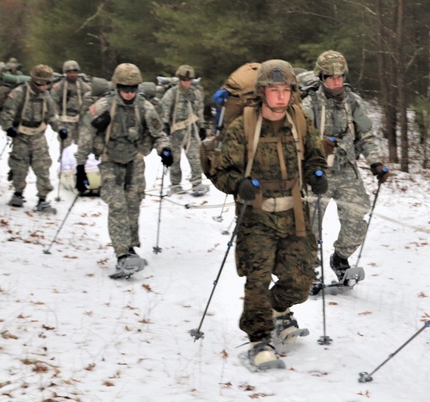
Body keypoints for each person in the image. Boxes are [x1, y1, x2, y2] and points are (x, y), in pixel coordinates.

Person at [205, 59, 328, 369]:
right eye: (274, 90)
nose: (281, 97)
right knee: (257, 281)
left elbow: (315, 154)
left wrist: (316, 172)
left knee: (301, 280)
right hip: (256, 216)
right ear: (261, 92)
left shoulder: (300, 120)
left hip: (294, 212)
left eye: (286, 90)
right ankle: (259, 339)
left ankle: (277, 310)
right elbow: (220, 171)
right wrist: (238, 184)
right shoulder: (242, 125)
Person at [74, 63, 171, 278]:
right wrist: (80, 167)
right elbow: (85, 136)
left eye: (133, 89)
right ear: (117, 87)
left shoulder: (145, 107)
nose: (129, 93)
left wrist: (164, 150)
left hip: (134, 161)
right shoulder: (102, 106)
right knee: (117, 206)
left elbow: (159, 133)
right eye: (125, 89)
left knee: (133, 205)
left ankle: (130, 247)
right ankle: (122, 254)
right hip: (110, 161)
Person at [302, 50, 388, 282]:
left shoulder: (353, 102)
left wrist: (376, 163)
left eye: (340, 77)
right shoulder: (309, 104)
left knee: (357, 214)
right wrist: (316, 145)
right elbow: (297, 138)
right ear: (321, 77)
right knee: (309, 222)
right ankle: (308, 265)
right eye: (331, 77)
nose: (337, 82)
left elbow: (366, 136)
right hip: (317, 172)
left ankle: (340, 258)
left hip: (347, 169)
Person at [0, 64, 66, 212]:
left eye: (50, 83)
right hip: (21, 135)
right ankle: (18, 193)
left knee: (42, 167)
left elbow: (52, 116)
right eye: (46, 83)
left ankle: (42, 199)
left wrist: (60, 129)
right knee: (19, 166)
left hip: (38, 136)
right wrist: (8, 128)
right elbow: (7, 112)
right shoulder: (19, 93)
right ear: (38, 81)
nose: (48, 86)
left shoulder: (46, 96)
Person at [160, 64, 208, 196]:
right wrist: (164, 125)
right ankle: (175, 184)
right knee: (175, 159)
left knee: (195, 157)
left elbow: (199, 111)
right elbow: (164, 110)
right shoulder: (171, 94)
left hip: (191, 131)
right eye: (183, 79)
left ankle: (197, 183)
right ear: (179, 79)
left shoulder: (196, 93)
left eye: (189, 80)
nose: (186, 83)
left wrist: (201, 126)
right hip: (175, 132)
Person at [51, 60, 92, 157]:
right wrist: (56, 117)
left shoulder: (84, 86)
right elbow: (53, 102)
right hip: (65, 120)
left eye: (74, 72)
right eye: (69, 72)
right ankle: (64, 165)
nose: (72, 74)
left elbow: (90, 99)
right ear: (65, 73)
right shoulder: (59, 86)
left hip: (80, 120)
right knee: (65, 146)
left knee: (81, 145)